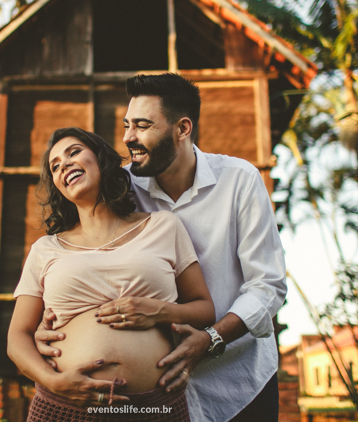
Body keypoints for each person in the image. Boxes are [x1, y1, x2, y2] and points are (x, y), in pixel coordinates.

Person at [36, 74, 287, 422]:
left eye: (142, 126)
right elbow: (84, 258)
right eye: (127, 125)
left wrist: (211, 339)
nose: (128, 137)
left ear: (182, 128)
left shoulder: (239, 180)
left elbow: (267, 286)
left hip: (239, 383)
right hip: (156, 399)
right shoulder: (120, 187)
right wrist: (51, 322)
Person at [7, 127, 215, 421]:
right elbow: (17, 336)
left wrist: (160, 311)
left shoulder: (163, 226)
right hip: (65, 406)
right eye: (55, 166)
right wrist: (53, 381)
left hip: (156, 407)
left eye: (74, 152)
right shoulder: (46, 249)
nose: (64, 164)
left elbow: (204, 309)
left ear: (101, 159)